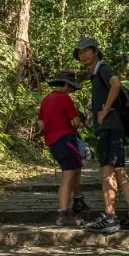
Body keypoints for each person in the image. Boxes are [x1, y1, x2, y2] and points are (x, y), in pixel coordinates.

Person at [74, 37, 129, 234]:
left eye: (86, 50)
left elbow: (116, 83)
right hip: (115, 128)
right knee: (120, 170)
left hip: (109, 128)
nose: (83, 55)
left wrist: (105, 109)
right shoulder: (96, 74)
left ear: (95, 51)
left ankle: (110, 217)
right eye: (80, 53)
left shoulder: (102, 68)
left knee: (107, 170)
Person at [38, 69, 90, 226]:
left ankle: (78, 200)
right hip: (66, 140)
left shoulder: (45, 100)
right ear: (67, 85)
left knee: (73, 171)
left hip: (53, 143)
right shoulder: (64, 98)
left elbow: (41, 125)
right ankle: (62, 214)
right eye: (72, 88)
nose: (72, 91)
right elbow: (75, 122)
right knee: (67, 177)